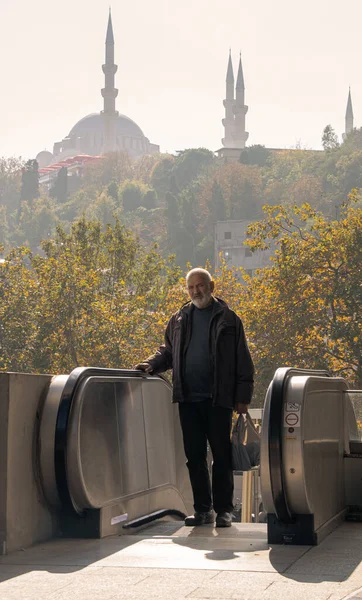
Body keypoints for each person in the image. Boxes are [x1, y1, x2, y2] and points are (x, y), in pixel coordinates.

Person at [135, 268, 254, 528]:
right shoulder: (179, 319)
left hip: (218, 399)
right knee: (194, 456)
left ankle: (224, 510)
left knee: (221, 456)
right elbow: (167, 351)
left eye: (200, 286)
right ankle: (202, 510)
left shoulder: (230, 319)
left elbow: (243, 359)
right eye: (191, 287)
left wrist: (242, 396)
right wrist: (151, 365)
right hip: (188, 398)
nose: (196, 291)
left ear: (211, 285)